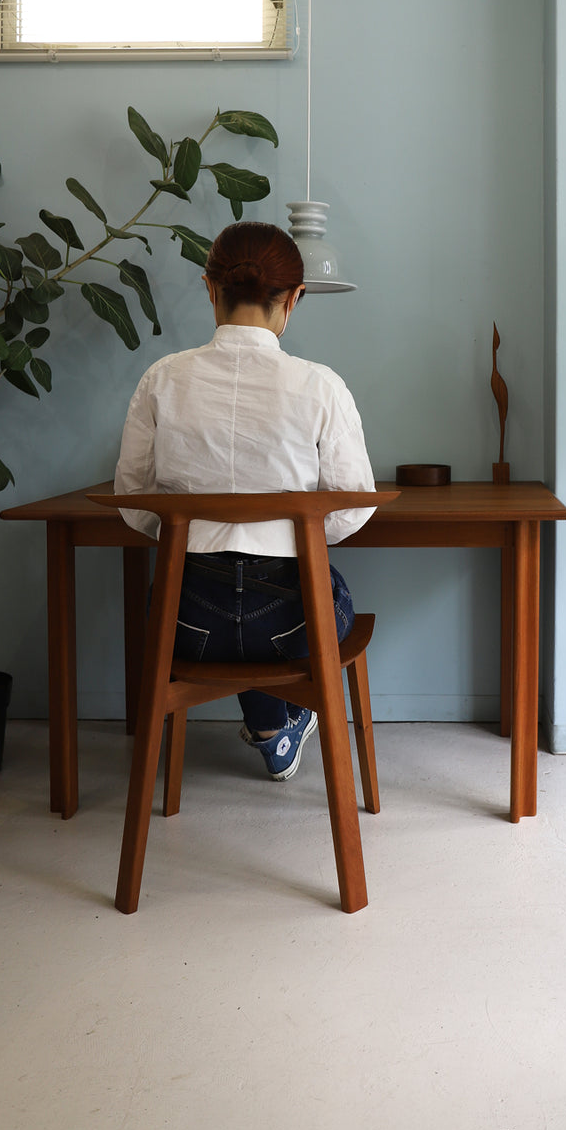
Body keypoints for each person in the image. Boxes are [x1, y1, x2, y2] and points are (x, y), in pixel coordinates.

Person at [114, 220, 375, 781]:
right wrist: (290, 533)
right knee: (331, 596)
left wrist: (202, 533)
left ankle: (270, 728)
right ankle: (276, 726)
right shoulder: (320, 385)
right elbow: (353, 510)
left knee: (202, 595)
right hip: (291, 626)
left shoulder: (162, 379)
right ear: (295, 298)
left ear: (211, 288)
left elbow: (133, 501)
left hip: (185, 625)